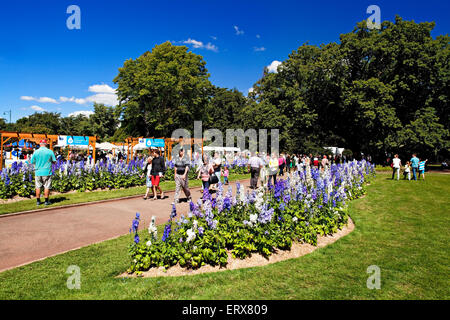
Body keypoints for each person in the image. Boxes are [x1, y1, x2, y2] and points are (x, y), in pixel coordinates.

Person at [30, 140, 56, 206]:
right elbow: (54, 161)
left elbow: (32, 161)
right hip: (47, 171)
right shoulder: (50, 151)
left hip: (38, 171)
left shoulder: (36, 152)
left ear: (40, 144)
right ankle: (46, 201)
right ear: (46, 144)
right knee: (47, 187)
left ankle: (38, 201)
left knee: (38, 187)